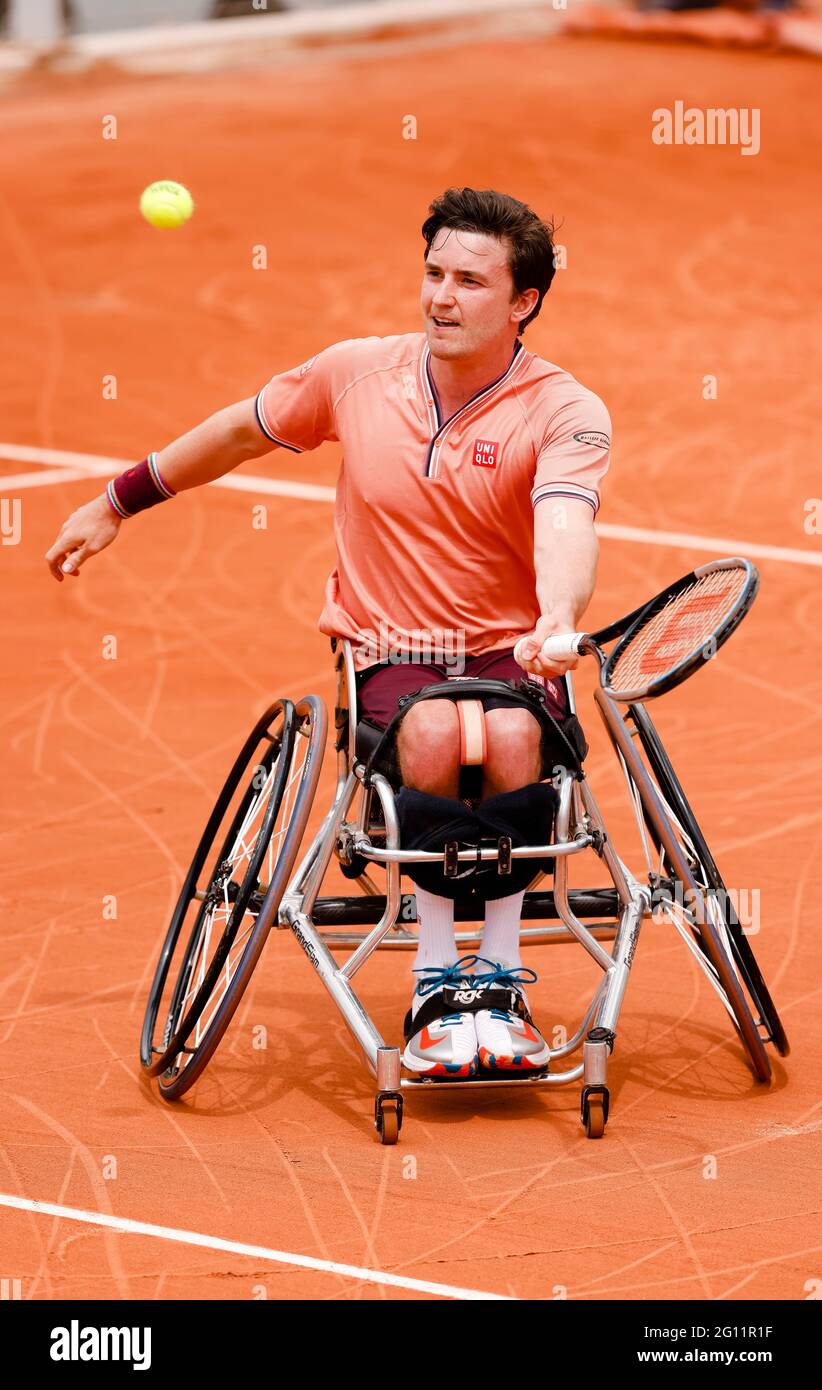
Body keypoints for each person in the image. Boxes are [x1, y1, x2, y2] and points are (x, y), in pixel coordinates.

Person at [46, 186, 611, 1081]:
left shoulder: (565, 409)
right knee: (431, 732)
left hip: (513, 645)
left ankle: (497, 980)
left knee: (507, 735)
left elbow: (565, 523)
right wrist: (120, 499)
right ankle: (435, 980)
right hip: (390, 648)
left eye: (470, 280)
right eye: (433, 273)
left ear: (524, 301)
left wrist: (558, 619)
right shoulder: (356, 374)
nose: (442, 297)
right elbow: (238, 432)